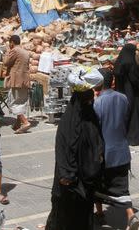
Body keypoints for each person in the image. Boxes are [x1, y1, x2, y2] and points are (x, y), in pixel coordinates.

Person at [46, 67, 104, 230]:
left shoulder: (90, 117)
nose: (90, 102)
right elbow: (63, 148)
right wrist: (67, 174)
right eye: (87, 99)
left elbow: (97, 142)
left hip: (86, 182)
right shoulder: (68, 122)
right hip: (69, 183)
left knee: (83, 218)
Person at [93, 69, 139, 230]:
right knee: (122, 187)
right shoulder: (123, 98)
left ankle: (99, 213)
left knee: (98, 185)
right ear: (112, 82)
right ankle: (130, 215)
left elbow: (95, 128)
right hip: (122, 151)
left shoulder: (97, 103)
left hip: (105, 153)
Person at [113, 43, 139, 146]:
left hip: (120, 93)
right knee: (133, 116)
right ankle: (132, 139)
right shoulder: (131, 63)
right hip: (131, 94)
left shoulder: (119, 62)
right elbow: (135, 80)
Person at [4, 34, 32, 133]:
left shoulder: (14, 50)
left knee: (13, 101)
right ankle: (17, 123)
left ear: (12, 42)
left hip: (17, 81)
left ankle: (25, 122)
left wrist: (7, 51)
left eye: (9, 43)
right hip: (25, 80)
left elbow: (6, 62)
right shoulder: (26, 52)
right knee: (20, 101)